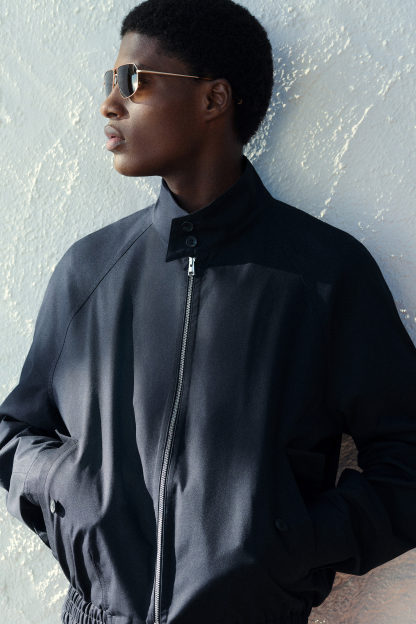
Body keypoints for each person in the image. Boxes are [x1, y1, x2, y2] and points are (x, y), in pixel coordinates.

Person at [1, 1, 416, 623]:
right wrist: (77, 498)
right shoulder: (90, 270)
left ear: (213, 99)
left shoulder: (326, 275)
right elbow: (15, 434)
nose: (109, 104)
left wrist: (290, 544)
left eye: (132, 81)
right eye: (109, 82)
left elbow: (408, 457)